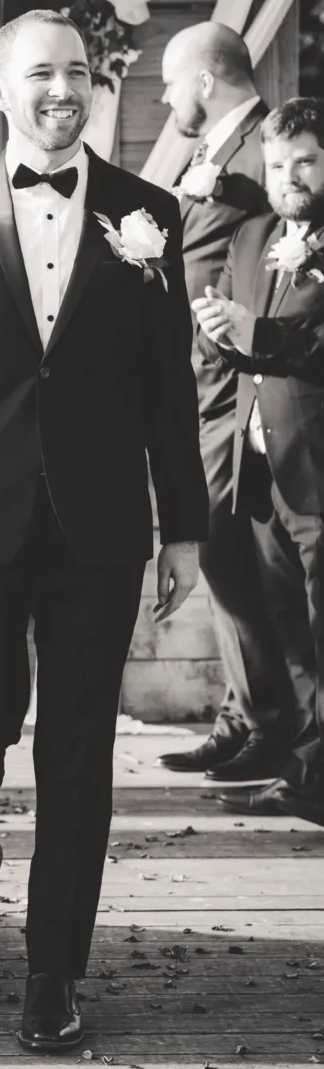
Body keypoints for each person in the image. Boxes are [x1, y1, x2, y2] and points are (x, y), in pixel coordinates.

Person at [0, 10, 208, 1053]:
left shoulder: (147, 214)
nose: (61, 91)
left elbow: (167, 391)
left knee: (77, 755)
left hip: (98, 529)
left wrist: (182, 529)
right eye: (39, 75)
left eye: (76, 73)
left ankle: (53, 972)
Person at [155, 23, 292, 783]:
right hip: (198, 388)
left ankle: (271, 726)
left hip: (237, 384)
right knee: (225, 555)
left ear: (204, 81)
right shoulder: (215, 155)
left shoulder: (261, 156)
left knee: (236, 557)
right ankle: (248, 716)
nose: (167, 97)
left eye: (172, 83)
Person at [193, 97, 324, 827]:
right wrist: (218, 328)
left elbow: (296, 345)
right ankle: (304, 769)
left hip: (318, 464)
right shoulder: (250, 236)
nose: (289, 176)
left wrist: (259, 332)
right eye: (276, 165)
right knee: (290, 630)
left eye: (303, 159)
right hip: (260, 466)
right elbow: (237, 348)